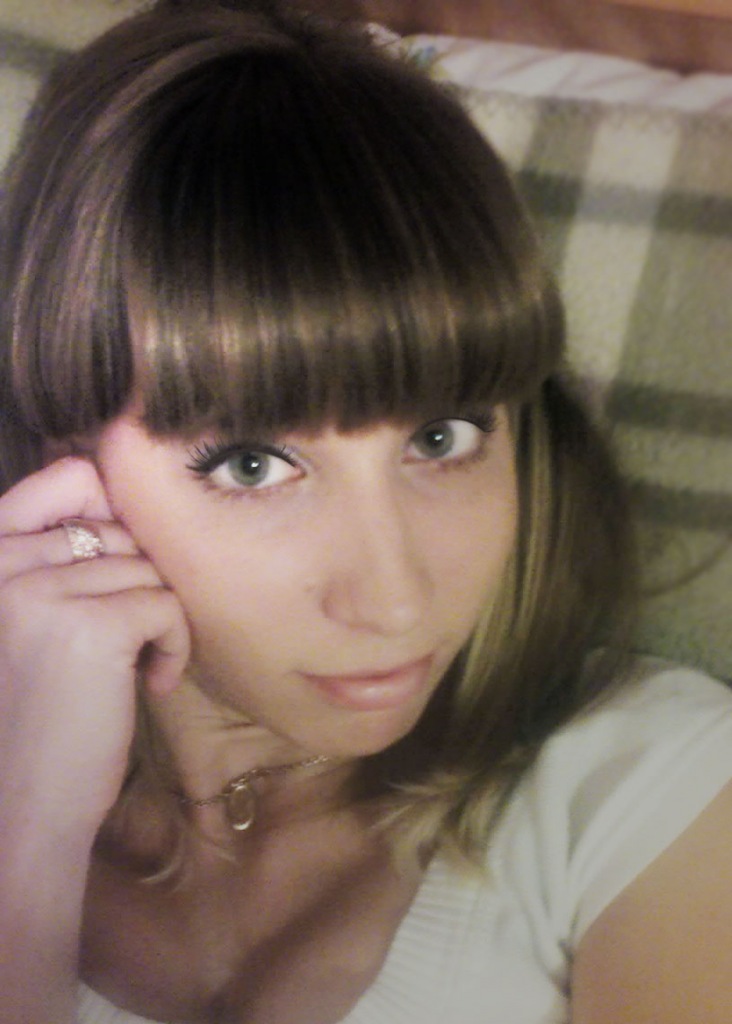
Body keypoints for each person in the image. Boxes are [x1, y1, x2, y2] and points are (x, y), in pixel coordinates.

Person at [0, 1, 731, 1021]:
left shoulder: (640, 787)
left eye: (441, 439)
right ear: (67, 467)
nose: (395, 602)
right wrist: (31, 825)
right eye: (253, 463)